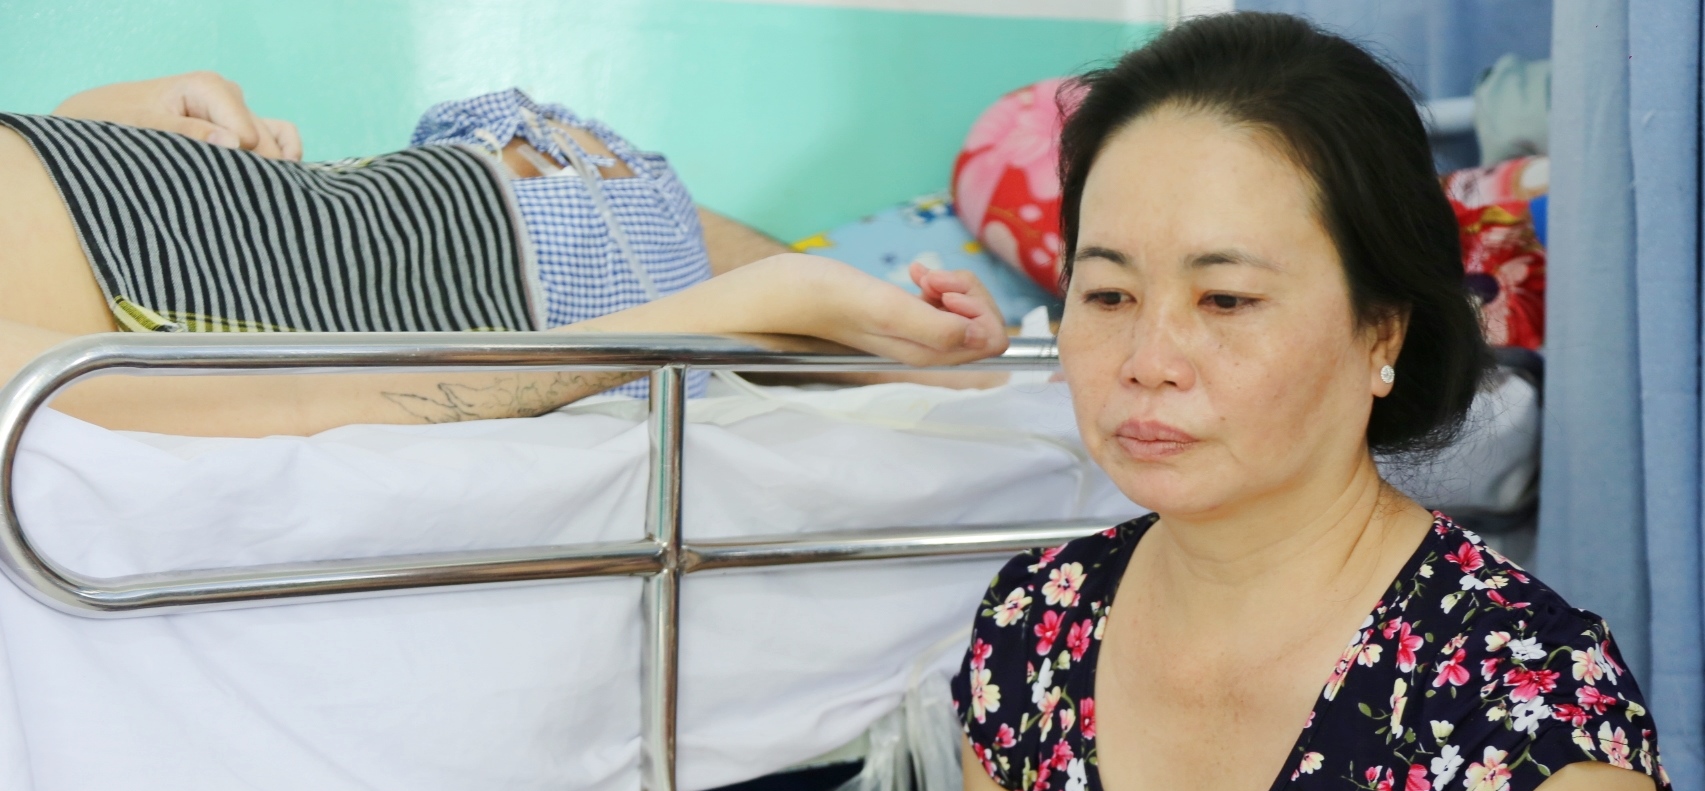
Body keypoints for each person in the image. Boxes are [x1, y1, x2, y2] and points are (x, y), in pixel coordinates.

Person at [857, 14, 1694, 791]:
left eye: (1227, 299)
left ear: (1383, 331)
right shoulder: (1039, 623)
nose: (1147, 361)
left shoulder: (1515, 702)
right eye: (1109, 292)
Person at [0, 72, 1006, 437]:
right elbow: (319, 397)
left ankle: (941, 349)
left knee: (914, 336)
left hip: (458, 183)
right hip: (535, 266)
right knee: (941, 365)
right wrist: (755, 303)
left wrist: (118, 114)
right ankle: (959, 362)